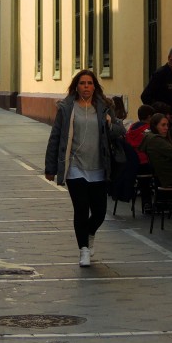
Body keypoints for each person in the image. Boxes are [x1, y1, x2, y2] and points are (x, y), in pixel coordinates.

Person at [44, 69, 124, 267]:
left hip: (99, 166)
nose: (86, 87)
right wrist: (50, 167)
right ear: (76, 86)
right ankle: (84, 250)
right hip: (75, 167)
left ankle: (89, 234)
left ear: (94, 86)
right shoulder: (66, 108)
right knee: (80, 209)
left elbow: (120, 130)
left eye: (89, 83)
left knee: (99, 212)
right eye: (82, 83)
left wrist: (109, 124)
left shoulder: (105, 107)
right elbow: (56, 137)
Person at [141, 46, 172, 119]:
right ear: (168, 58)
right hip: (162, 116)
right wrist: (159, 114)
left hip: (171, 113)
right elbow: (145, 96)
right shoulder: (160, 74)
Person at [140, 112, 172, 187]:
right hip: (169, 178)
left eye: (167, 125)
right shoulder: (156, 140)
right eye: (163, 125)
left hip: (163, 177)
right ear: (155, 126)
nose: (166, 128)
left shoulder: (150, 137)